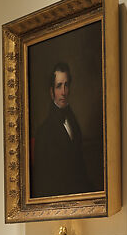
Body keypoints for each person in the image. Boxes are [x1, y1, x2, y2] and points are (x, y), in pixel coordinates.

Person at [31, 62, 95, 198]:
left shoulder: (74, 123)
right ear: (51, 92)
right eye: (59, 86)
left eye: (66, 85)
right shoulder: (43, 133)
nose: (63, 92)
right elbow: (43, 183)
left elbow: (80, 168)